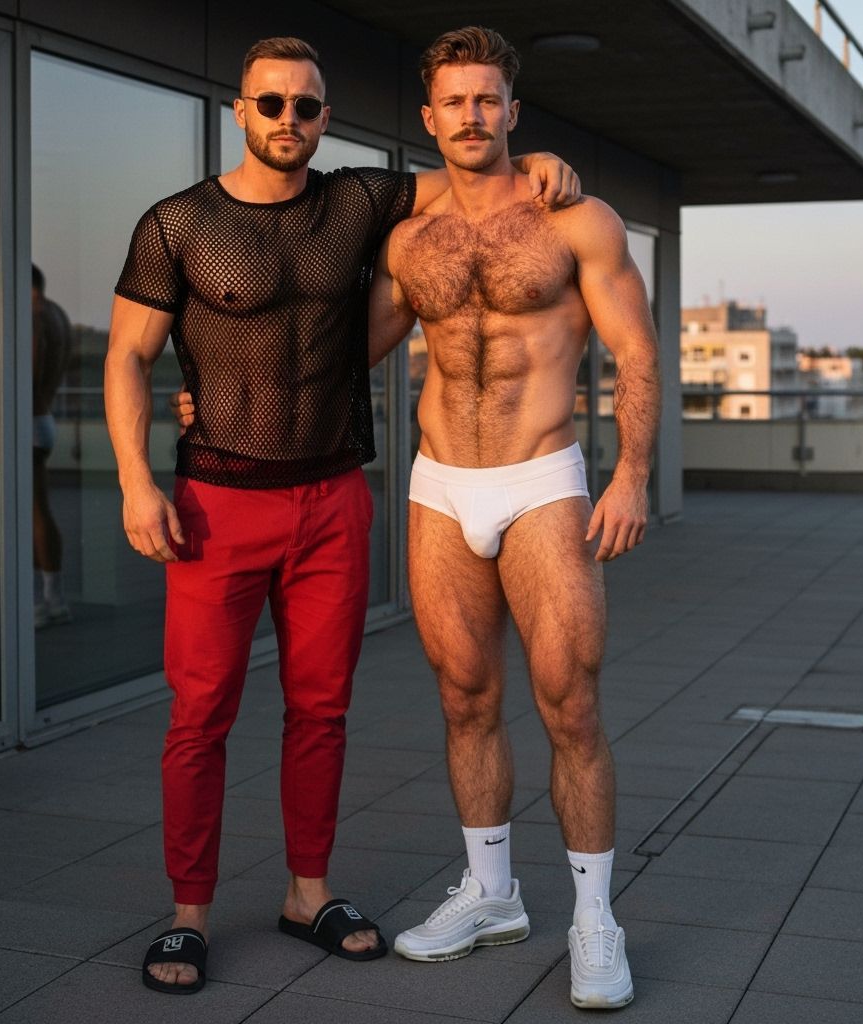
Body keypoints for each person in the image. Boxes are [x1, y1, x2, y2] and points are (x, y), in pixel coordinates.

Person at [104, 34, 579, 995]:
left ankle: (306, 892)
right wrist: (134, 480)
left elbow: (469, 171)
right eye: (271, 105)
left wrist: (533, 161)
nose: (290, 122)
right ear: (239, 111)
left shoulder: (359, 200)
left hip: (329, 498)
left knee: (321, 711)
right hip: (215, 502)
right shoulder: (177, 224)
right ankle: (188, 913)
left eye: (308, 108)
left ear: (326, 118)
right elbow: (124, 358)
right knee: (200, 716)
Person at [368, 26, 661, 1011]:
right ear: (427, 117)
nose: (471, 116)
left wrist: (631, 475)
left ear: (512, 110)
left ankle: (594, 920)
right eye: (453, 101)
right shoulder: (407, 236)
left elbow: (635, 350)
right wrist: (212, 396)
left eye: (487, 99)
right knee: (464, 700)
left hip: (542, 479)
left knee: (568, 702)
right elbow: (342, 349)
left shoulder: (575, 218)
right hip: (439, 484)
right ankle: (492, 894)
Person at [31, 264, 72, 629]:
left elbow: (27, 370)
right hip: (44, 419)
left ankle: (48, 598)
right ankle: (50, 595)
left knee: (33, 511)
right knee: (37, 508)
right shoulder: (58, 314)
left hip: (26, 420)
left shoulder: (33, 315)